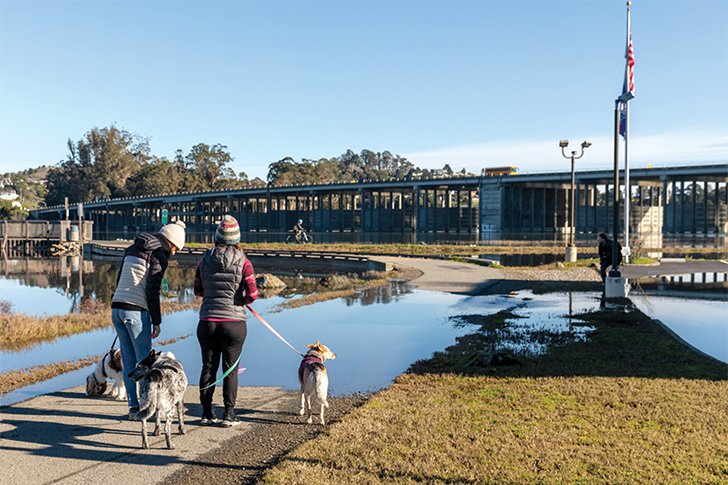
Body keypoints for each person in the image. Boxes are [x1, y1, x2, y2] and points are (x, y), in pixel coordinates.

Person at [111, 220, 186, 419]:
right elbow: (152, 292)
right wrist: (157, 320)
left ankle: (133, 408)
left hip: (117, 308)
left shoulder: (131, 249)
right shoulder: (158, 255)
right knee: (146, 364)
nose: (175, 252)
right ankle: (147, 409)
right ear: (170, 242)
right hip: (136, 311)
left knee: (128, 361)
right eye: (175, 248)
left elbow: (119, 280)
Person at [194, 215, 258, 427]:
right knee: (230, 369)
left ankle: (206, 413)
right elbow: (253, 294)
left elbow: (198, 290)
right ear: (237, 238)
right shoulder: (244, 262)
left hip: (208, 322)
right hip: (234, 323)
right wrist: (240, 299)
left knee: (208, 366)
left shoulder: (204, 260)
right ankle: (229, 415)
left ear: (217, 237)